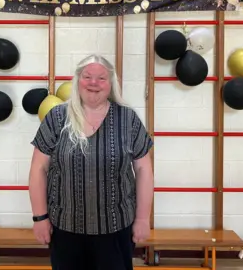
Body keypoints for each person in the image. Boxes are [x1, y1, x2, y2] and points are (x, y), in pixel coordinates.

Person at [28, 54, 154, 270]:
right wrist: (40, 218)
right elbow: (38, 169)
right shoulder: (57, 117)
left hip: (115, 228)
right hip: (65, 228)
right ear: (78, 80)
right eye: (87, 76)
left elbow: (144, 170)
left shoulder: (128, 119)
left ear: (111, 84)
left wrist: (143, 219)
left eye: (101, 78)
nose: (94, 83)